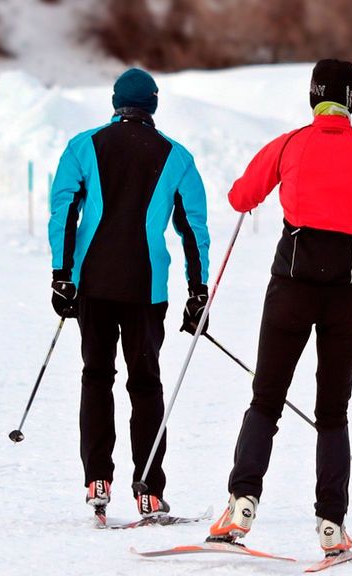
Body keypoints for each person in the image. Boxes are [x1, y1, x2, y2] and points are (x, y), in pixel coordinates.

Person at [209, 59, 352, 555]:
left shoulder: (289, 144)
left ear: (313, 97)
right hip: (346, 296)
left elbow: (240, 197)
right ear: (351, 99)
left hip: (290, 288)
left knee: (266, 397)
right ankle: (332, 524)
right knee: (332, 411)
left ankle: (241, 503)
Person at [49, 68, 210, 519]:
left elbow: (64, 211)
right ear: (152, 105)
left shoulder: (83, 146)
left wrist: (62, 275)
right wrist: (199, 292)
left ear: (116, 102)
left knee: (96, 377)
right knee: (145, 385)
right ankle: (149, 490)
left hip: (93, 285)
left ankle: (97, 479)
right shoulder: (176, 157)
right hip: (146, 289)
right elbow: (193, 230)